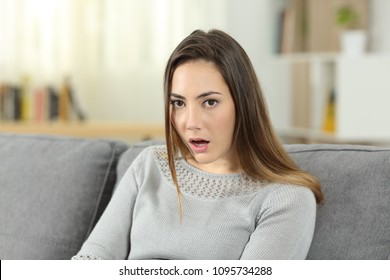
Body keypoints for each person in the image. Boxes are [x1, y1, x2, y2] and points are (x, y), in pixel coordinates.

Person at [72, 29, 323, 260]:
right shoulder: (150, 165)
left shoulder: (286, 198)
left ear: (244, 105)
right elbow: (94, 258)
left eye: (209, 102)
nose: (190, 123)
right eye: (178, 103)